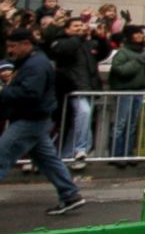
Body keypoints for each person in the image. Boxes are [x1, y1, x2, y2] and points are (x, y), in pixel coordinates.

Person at [0, 29, 84, 215]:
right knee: (48, 160)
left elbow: (30, 93)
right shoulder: (32, 61)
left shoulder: (35, 65)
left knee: (2, 154)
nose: (10, 50)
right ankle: (70, 194)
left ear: (26, 44)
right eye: (8, 46)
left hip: (29, 120)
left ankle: (69, 194)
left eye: (13, 46)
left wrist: (3, 92)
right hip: (35, 119)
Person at [46, 17, 103, 170]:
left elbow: (102, 52)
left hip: (87, 86)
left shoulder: (86, 43)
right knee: (83, 113)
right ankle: (80, 149)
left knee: (79, 121)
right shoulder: (63, 41)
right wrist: (78, 37)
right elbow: (63, 50)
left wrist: (100, 37)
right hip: (71, 87)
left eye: (81, 25)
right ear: (67, 29)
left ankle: (67, 154)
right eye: (75, 26)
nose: (80, 28)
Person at [107, 25, 145, 163]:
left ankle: (128, 153)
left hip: (139, 91)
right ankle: (116, 154)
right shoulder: (123, 53)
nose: (139, 36)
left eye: (140, 34)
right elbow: (121, 71)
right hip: (125, 91)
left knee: (132, 124)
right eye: (135, 34)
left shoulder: (144, 50)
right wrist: (141, 59)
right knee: (121, 124)